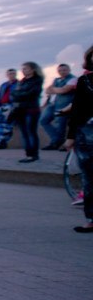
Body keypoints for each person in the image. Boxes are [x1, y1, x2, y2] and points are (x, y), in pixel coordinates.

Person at [62, 46, 93, 233]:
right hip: (87, 135)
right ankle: (91, 219)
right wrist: (71, 136)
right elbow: (78, 110)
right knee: (89, 178)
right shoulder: (85, 81)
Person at [12, 62, 44, 162]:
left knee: (31, 132)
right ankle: (28, 154)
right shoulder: (22, 81)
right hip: (20, 109)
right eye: (23, 69)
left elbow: (31, 94)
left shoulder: (37, 80)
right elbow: (13, 93)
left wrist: (19, 94)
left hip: (31, 109)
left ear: (32, 69)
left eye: (25, 68)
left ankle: (34, 155)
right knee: (24, 133)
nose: (23, 70)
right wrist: (20, 94)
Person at [42, 63, 77, 149]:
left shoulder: (73, 79)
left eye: (64, 70)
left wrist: (54, 89)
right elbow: (47, 90)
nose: (62, 72)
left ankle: (56, 143)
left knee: (60, 124)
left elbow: (64, 90)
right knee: (43, 120)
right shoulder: (56, 80)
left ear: (69, 70)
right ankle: (57, 140)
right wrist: (57, 90)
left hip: (64, 105)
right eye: (60, 70)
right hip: (52, 104)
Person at [0, 68, 17, 149]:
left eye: (13, 73)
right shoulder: (4, 85)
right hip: (1, 106)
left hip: (11, 106)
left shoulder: (18, 84)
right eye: (9, 74)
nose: (11, 75)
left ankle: (1, 143)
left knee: (6, 126)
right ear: (7, 75)